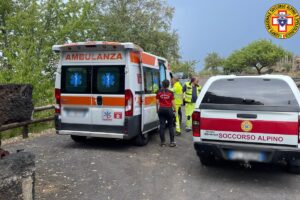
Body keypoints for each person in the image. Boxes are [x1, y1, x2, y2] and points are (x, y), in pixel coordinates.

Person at [156, 79, 176, 147]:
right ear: (168, 85)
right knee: (170, 126)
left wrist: (157, 109)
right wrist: (175, 110)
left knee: (162, 126)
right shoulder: (171, 92)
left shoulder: (158, 92)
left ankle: (163, 143)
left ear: (162, 84)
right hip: (169, 110)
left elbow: (157, 102)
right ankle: (172, 142)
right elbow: (173, 102)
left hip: (161, 110)